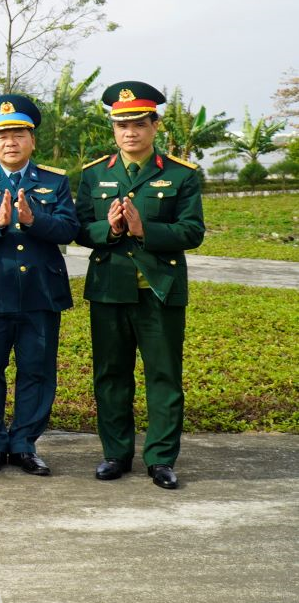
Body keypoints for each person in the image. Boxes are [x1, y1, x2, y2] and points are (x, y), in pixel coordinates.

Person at [75, 81, 204, 490]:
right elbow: (79, 228)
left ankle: (161, 458)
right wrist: (109, 227)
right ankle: (116, 454)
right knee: (111, 374)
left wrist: (142, 228)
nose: (130, 132)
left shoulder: (181, 175)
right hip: (109, 288)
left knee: (163, 375)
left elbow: (192, 231)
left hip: (159, 289)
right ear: (113, 129)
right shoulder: (95, 175)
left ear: (155, 125)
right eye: (122, 125)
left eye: (139, 124)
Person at [0, 95, 78, 476]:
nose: (10, 142)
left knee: (37, 370)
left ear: (32, 140)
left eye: (18, 134)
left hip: (40, 293)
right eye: (2, 136)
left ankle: (25, 443)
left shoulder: (54, 181)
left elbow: (69, 229)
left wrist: (33, 219)